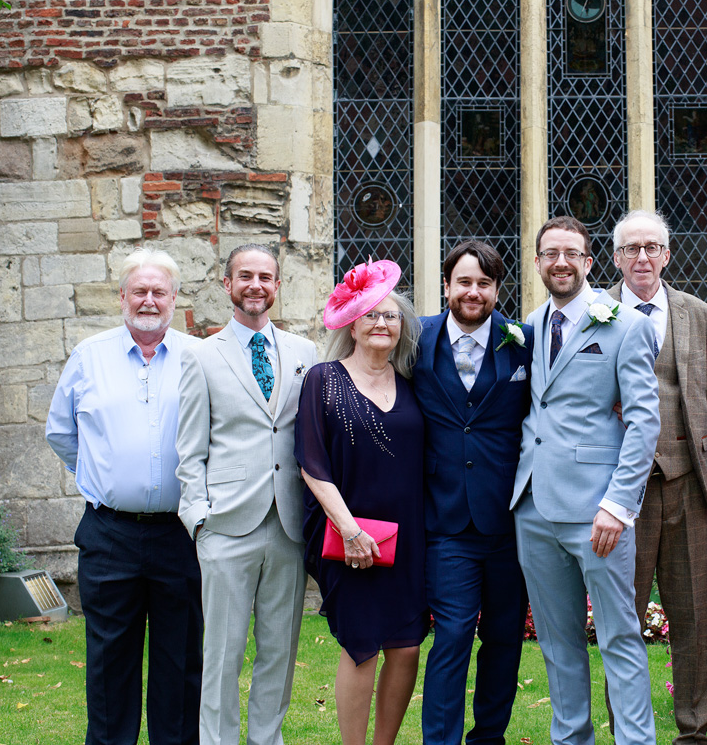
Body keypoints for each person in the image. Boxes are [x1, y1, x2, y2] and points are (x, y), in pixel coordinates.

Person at [511, 215, 660, 745]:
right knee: (557, 641)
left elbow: (644, 419)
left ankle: (635, 740)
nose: (561, 263)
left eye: (572, 253)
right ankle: (570, 738)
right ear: (537, 263)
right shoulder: (528, 326)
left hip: (598, 512)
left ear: (590, 262)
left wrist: (619, 505)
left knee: (619, 636)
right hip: (533, 506)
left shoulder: (625, 324)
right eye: (551, 254)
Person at [46, 246, 202, 745]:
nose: (149, 300)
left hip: (181, 536)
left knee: (180, 661)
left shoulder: (198, 357)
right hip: (109, 533)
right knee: (110, 661)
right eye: (140, 291)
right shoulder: (88, 356)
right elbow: (60, 433)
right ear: (122, 297)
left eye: (159, 291)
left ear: (175, 298)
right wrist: (99, 476)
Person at [175, 244, 318, 745]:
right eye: (245, 276)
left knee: (279, 650)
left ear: (278, 286)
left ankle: (266, 740)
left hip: (288, 524)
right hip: (227, 526)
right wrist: (198, 519)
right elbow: (189, 449)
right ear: (227, 285)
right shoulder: (201, 357)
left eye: (265, 277)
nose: (255, 285)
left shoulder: (305, 354)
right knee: (222, 653)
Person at [295, 260, 430, 745]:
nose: (382, 323)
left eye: (391, 316)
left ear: (401, 328)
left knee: (407, 646)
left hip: (408, 536)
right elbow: (311, 463)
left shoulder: (414, 385)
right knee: (361, 647)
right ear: (352, 322)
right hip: (345, 535)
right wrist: (350, 530)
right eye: (372, 314)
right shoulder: (323, 380)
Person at [604, 209, 707, 744]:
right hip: (620, 494)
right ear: (616, 257)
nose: (642, 257)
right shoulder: (595, 311)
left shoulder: (697, 313)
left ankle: (694, 731)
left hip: (686, 485)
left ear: (667, 255)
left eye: (652, 247)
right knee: (619, 618)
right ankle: (627, 730)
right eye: (631, 249)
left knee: (693, 617)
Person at [411, 242, 533, 745]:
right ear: (446, 286)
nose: (473, 292)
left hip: (509, 516)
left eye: (484, 284)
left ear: (497, 289)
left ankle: (489, 737)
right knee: (454, 633)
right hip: (444, 518)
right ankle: (440, 739)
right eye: (463, 282)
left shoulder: (522, 341)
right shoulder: (415, 337)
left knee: (504, 637)